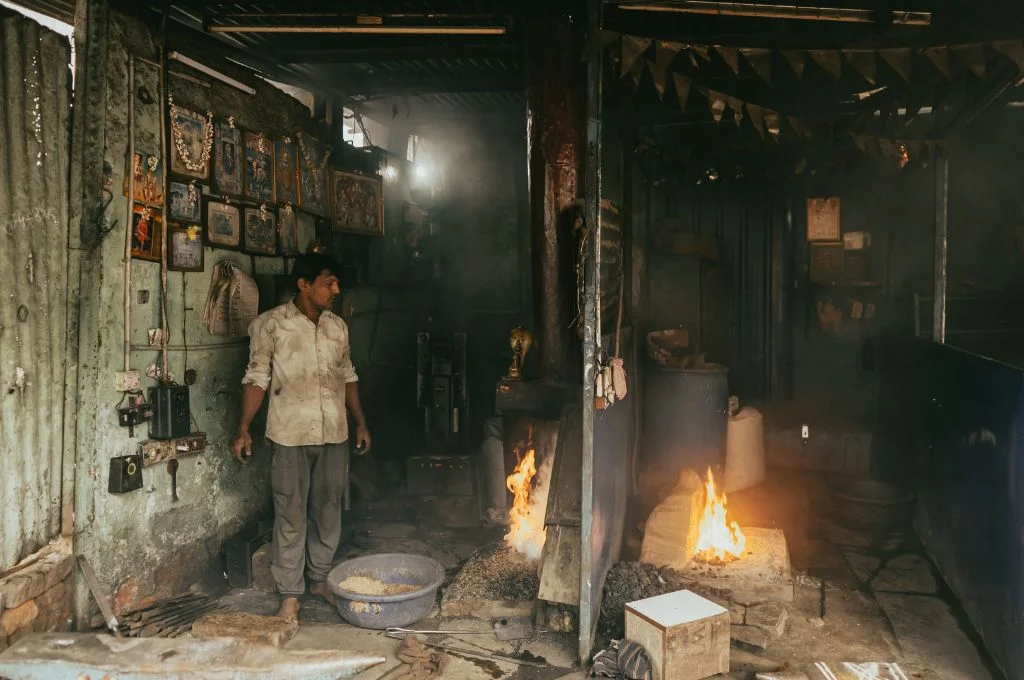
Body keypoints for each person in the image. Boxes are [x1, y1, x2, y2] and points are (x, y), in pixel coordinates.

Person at [231, 253, 371, 622]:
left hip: (334, 433)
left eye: (337, 283)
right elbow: (257, 377)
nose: (336, 290)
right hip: (289, 434)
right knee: (290, 513)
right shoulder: (271, 325)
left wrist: (360, 422)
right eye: (329, 282)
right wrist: (244, 427)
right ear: (304, 284)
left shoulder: (337, 327)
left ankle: (320, 579)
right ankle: (290, 594)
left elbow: (348, 376)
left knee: (328, 509)